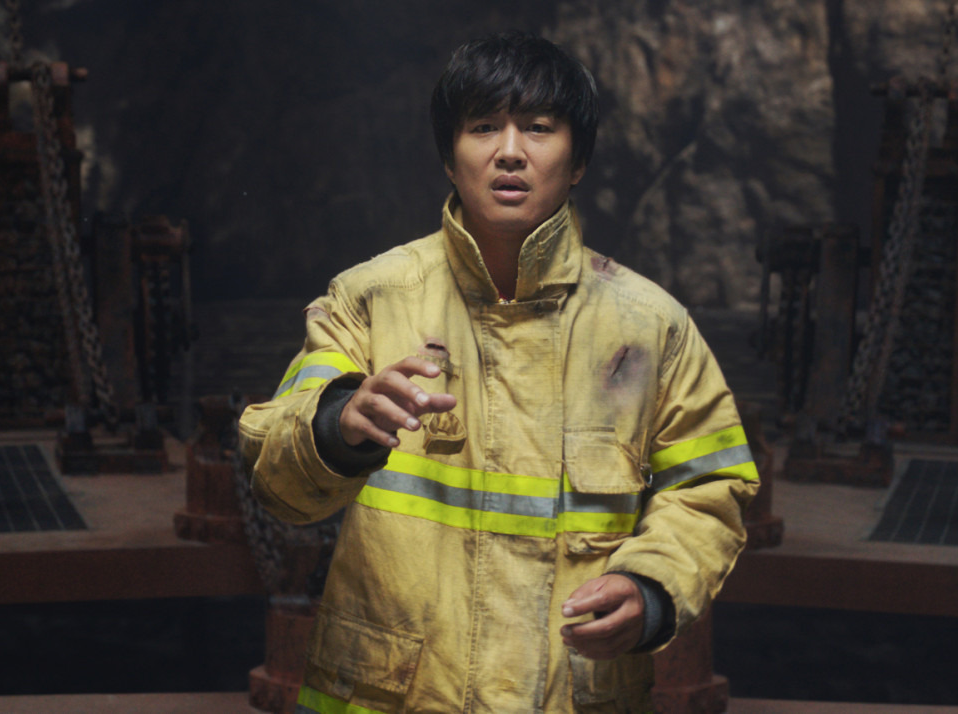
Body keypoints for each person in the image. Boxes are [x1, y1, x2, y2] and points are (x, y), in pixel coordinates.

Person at [239, 30, 759, 713]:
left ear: (578, 160)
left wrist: (652, 589)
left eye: (539, 127)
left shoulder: (650, 329)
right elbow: (277, 482)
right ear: (449, 159)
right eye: (483, 127)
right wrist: (338, 425)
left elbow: (710, 489)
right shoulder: (367, 301)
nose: (510, 151)